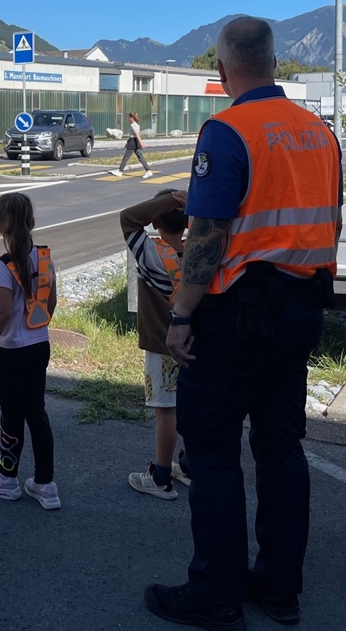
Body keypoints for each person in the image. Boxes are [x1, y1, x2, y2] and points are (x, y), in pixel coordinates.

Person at [145, 17, 342, 631]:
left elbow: (205, 236)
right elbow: (334, 223)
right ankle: (280, 589)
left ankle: (216, 594)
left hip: (236, 316)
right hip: (302, 307)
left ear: (223, 70)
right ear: (276, 63)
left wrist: (180, 317)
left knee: (213, 452)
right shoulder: (320, 133)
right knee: (282, 449)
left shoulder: (227, 131)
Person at [0, 192, 60, 510]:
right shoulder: (44, 258)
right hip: (40, 345)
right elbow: (51, 304)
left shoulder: (2, 266)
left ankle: (6, 477)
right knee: (37, 412)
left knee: (11, 414)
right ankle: (45, 483)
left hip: (10, 351)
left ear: (0, 226)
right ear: (32, 222)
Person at [120, 190, 191, 500]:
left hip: (163, 346)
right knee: (190, 406)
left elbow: (129, 218)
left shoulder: (152, 255)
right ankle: (189, 466)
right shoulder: (198, 253)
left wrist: (166, 203)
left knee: (166, 411)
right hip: (193, 344)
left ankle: (161, 476)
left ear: (157, 221)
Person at [110, 111, 154, 178]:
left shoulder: (133, 125)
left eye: (129, 117)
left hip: (132, 142)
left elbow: (137, 134)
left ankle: (120, 171)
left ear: (132, 118)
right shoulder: (137, 125)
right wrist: (140, 142)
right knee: (140, 157)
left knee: (126, 157)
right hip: (136, 142)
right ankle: (148, 171)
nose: (128, 118)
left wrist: (141, 142)